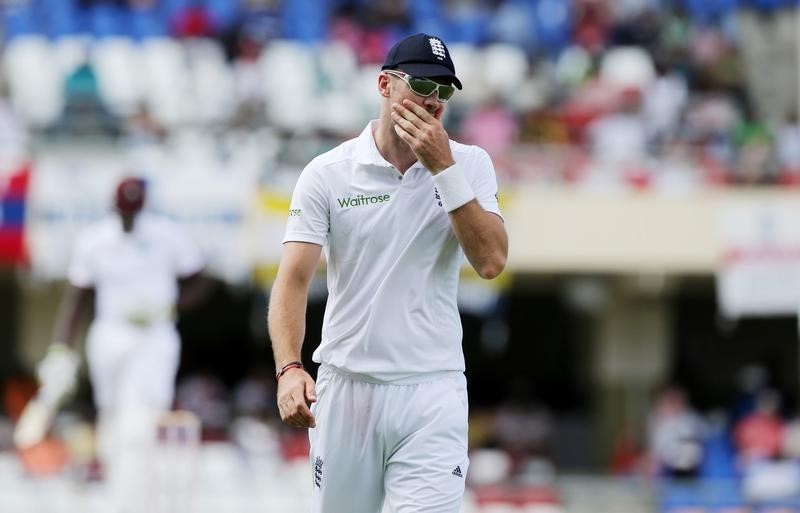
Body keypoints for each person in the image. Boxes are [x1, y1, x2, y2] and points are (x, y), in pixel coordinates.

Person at [267, 33, 508, 513]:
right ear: (384, 85)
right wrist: (290, 369)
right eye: (421, 85)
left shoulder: (470, 164)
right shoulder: (327, 173)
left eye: (445, 92)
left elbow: (491, 262)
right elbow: (293, 280)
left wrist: (443, 168)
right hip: (347, 386)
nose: (434, 101)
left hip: (432, 391)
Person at [14, 177, 208, 513]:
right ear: (114, 207)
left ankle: (135, 495)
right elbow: (77, 298)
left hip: (154, 336)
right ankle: (113, 485)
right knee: (112, 415)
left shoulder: (166, 235)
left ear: (143, 206)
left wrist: (172, 305)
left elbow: (199, 280)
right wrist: (60, 347)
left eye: (133, 211)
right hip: (110, 333)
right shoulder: (95, 239)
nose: (128, 219)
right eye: (123, 211)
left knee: (140, 419)